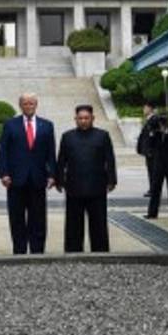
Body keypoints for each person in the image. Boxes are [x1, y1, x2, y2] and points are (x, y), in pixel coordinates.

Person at [0, 93, 56, 254]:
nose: (28, 106)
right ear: (20, 105)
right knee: (16, 217)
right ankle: (19, 250)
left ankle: (38, 251)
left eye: (31, 103)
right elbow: (4, 151)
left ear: (36, 104)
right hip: (15, 180)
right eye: (25, 103)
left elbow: (51, 152)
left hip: (38, 179)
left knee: (38, 218)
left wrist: (52, 175)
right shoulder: (10, 125)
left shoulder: (47, 125)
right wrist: (4, 173)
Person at [56, 105, 117, 252]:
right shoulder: (67, 136)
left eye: (86, 118)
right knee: (73, 223)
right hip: (73, 187)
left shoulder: (102, 136)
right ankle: (73, 251)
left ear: (92, 118)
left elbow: (110, 159)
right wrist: (59, 180)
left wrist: (111, 180)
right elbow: (61, 161)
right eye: (80, 118)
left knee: (98, 222)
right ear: (75, 119)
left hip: (97, 186)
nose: (83, 121)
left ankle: (100, 251)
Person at [145, 112, 168, 219]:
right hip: (159, 164)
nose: (162, 124)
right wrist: (152, 133)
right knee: (155, 189)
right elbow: (149, 145)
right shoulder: (155, 133)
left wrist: (165, 131)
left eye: (163, 121)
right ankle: (152, 213)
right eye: (161, 122)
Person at [136, 103, 157, 198]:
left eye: (145, 108)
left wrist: (150, 150)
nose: (143, 110)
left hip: (152, 152)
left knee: (153, 171)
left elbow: (153, 137)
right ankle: (153, 189)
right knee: (151, 171)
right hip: (148, 152)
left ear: (150, 109)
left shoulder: (154, 120)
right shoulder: (149, 120)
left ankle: (154, 190)